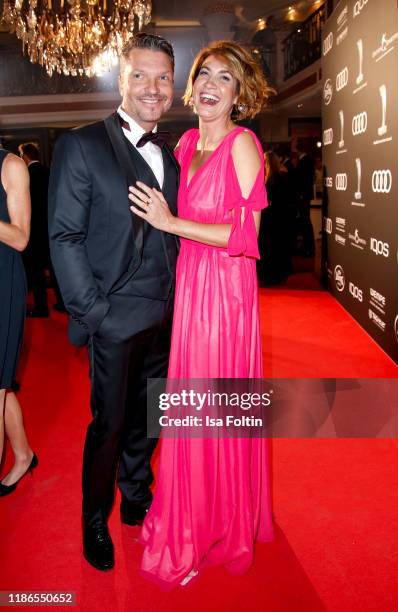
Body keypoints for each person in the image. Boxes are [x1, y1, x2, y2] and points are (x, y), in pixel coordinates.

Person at [129, 40, 274, 588]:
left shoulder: (243, 145)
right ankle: (191, 514)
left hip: (226, 297)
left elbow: (247, 237)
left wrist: (171, 225)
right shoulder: (185, 141)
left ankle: (208, 526)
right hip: (189, 290)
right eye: (204, 74)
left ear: (239, 94)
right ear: (192, 85)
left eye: (225, 79)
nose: (211, 85)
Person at [48, 33, 179, 572]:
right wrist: (96, 315)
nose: (153, 88)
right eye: (141, 75)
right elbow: (64, 237)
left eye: (163, 78)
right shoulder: (82, 145)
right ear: (120, 80)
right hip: (114, 318)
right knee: (108, 423)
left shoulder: (171, 154)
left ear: (173, 87)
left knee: (148, 418)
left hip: (167, 316)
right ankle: (93, 517)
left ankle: (136, 494)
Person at [0, 148, 38, 498]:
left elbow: (20, 237)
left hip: (3, 287)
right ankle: (23, 454)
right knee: (1, 387)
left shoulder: (11, 166)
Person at [18, 142, 65, 316]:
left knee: (36, 271)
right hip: (53, 229)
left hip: (34, 231)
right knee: (56, 269)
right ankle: (63, 303)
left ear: (25, 156)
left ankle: (41, 308)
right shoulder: (50, 173)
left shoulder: (25, 176)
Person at [258, 151, 292, 285]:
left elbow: (269, 202)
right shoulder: (282, 178)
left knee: (269, 248)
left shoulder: (271, 181)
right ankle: (278, 275)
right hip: (281, 220)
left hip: (271, 221)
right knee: (278, 247)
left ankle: (270, 276)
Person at [296, 140, 315, 257]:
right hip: (304, 195)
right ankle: (308, 248)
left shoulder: (305, 161)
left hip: (303, 196)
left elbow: (303, 180)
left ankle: (308, 248)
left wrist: (301, 194)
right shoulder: (306, 160)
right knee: (305, 221)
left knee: (305, 221)